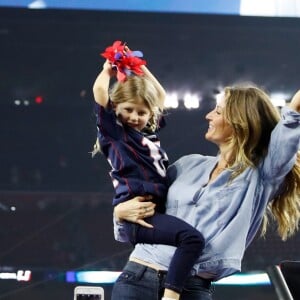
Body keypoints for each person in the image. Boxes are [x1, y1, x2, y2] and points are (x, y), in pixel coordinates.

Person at [112, 85, 300, 300]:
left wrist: (294, 109)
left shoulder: (260, 176)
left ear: (240, 122)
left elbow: (287, 133)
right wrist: (120, 214)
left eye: (218, 111)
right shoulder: (187, 164)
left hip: (190, 288)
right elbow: (142, 219)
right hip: (136, 279)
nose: (208, 115)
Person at [92, 48, 205, 300]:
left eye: (142, 113)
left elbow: (160, 96)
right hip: (137, 214)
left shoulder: (148, 134)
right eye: (129, 110)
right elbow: (100, 93)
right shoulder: (116, 133)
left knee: (191, 238)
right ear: (116, 109)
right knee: (192, 239)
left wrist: (139, 68)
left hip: (153, 211)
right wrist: (107, 71)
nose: (135, 117)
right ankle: (172, 295)